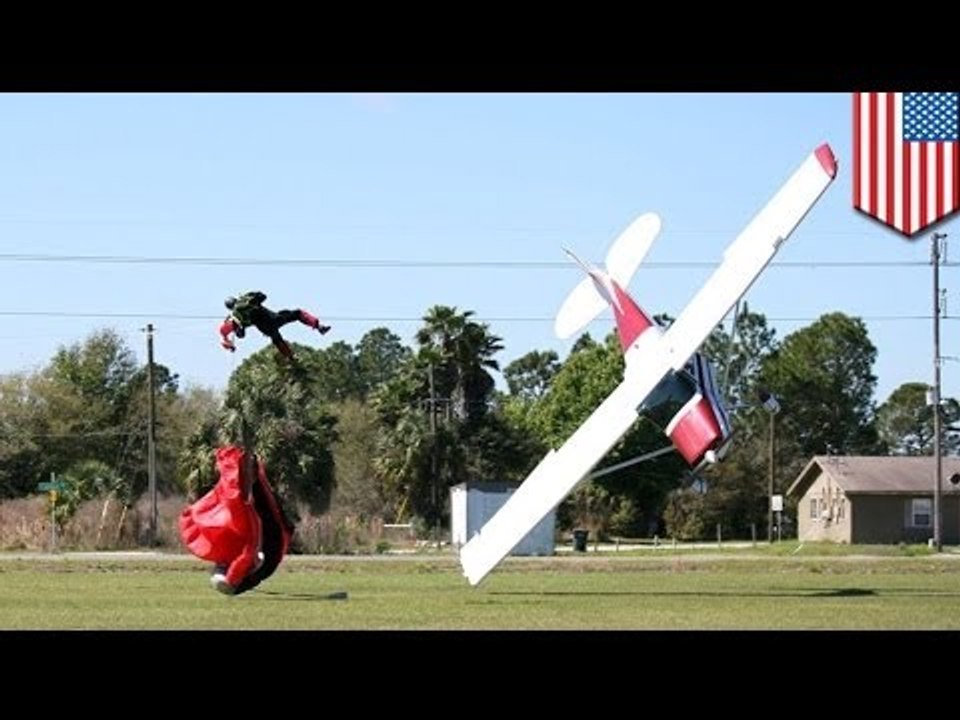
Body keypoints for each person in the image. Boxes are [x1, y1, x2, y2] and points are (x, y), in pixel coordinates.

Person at [219, 290, 330, 360]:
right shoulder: (246, 300)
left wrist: (231, 345)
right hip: (274, 319)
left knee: (276, 338)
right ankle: (319, 327)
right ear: (236, 300)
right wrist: (253, 296)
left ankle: (291, 357)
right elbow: (263, 296)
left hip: (265, 329)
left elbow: (236, 335)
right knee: (298, 313)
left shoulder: (236, 318)